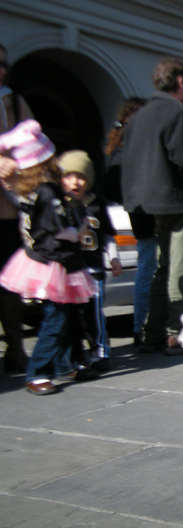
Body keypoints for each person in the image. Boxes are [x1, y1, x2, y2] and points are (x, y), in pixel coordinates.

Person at [0, 120, 99, 395]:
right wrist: (79, 231)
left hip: (47, 260)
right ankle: (38, 372)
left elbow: (23, 209)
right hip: (57, 261)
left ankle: (70, 363)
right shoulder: (48, 192)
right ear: (46, 160)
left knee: (67, 317)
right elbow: (59, 230)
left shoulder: (30, 191)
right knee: (57, 319)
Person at [122, 57, 183, 354]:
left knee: (164, 269)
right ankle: (178, 333)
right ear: (181, 82)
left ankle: (153, 331)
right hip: (182, 200)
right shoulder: (176, 112)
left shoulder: (141, 115)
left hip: (153, 203)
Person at [59, 150, 122, 372]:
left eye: (81, 177)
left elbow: (107, 234)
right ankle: (73, 356)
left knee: (94, 313)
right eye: (69, 176)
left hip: (94, 269)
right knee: (72, 316)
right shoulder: (60, 206)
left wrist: (113, 257)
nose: (75, 182)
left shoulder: (97, 204)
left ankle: (100, 351)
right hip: (69, 271)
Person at [104, 97, 153, 346]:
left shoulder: (129, 145)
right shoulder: (126, 149)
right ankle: (142, 328)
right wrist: (139, 193)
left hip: (145, 215)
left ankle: (145, 327)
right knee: (148, 271)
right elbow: (112, 187)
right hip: (145, 216)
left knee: (150, 271)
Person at [0, 43, 34, 373]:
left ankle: (15, 347)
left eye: (3, 63)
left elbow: (34, 146)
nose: (2, 70)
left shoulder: (12, 101)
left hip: (8, 212)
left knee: (10, 284)